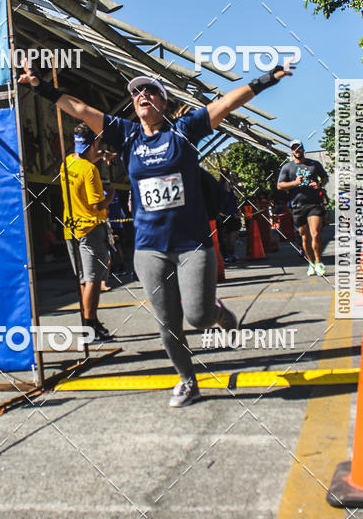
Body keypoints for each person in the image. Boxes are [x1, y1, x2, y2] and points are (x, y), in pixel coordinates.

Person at [20, 60, 293, 407]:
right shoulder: (125, 134)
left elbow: (225, 104)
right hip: (149, 247)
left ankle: (219, 314)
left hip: (191, 243)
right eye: (136, 92)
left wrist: (266, 79)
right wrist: (38, 85)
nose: (142, 95)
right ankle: (187, 380)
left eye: (150, 91)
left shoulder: (184, 130)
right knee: (168, 322)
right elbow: (81, 109)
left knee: (198, 316)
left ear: (163, 102)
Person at [59, 123, 116, 342]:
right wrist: (109, 194)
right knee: (93, 279)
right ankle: (89, 325)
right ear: (93, 143)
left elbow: (87, 158)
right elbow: (96, 207)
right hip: (91, 228)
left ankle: (89, 321)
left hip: (71, 229)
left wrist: (101, 155)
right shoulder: (90, 171)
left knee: (84, 279)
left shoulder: (67, 164)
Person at [277, 140, 328, 276]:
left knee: (316, 233)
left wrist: (319, 185)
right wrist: (295, 183)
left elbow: (324, 178)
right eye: (294, 149)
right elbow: (280, 185)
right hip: (298, 206)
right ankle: (311, 263)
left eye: (299, 148)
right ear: (292, 151)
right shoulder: (287, 167)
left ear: (303, 149)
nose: (297, 150)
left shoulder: (314, 164)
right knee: (305, 237)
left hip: (314, 204)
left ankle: (318, 262)